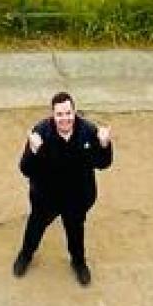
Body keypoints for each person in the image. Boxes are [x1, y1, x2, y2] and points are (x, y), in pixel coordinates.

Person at [13, 91, 113, 286]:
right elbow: (25, 169)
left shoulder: (88, 132)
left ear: (74, 112)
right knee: (35, 227)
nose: (64, 118)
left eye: (68, 113)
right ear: (53, 115)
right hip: (46, 197)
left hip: (77, 197)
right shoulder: (40, 132)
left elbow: (103, 163)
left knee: (76, 232)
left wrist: (104, 144)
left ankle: (79, 263)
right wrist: (33, 151)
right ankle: (25, 256)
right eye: (60, 114)